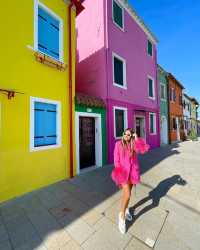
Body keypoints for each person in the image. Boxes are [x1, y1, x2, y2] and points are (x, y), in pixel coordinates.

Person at [111, 128, 150, 234]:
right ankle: (122, 216)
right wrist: (120, 172)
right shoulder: (118, 144)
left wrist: (137, 139)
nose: (127, 136)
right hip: (123, 173)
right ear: (123, 134)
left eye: (129, 135)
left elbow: (143, 150)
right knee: (127, 195)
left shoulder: (133, 144)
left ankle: (126, 208)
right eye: (126, 134)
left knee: (126, 195)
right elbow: (116, 160)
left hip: (133, 173)